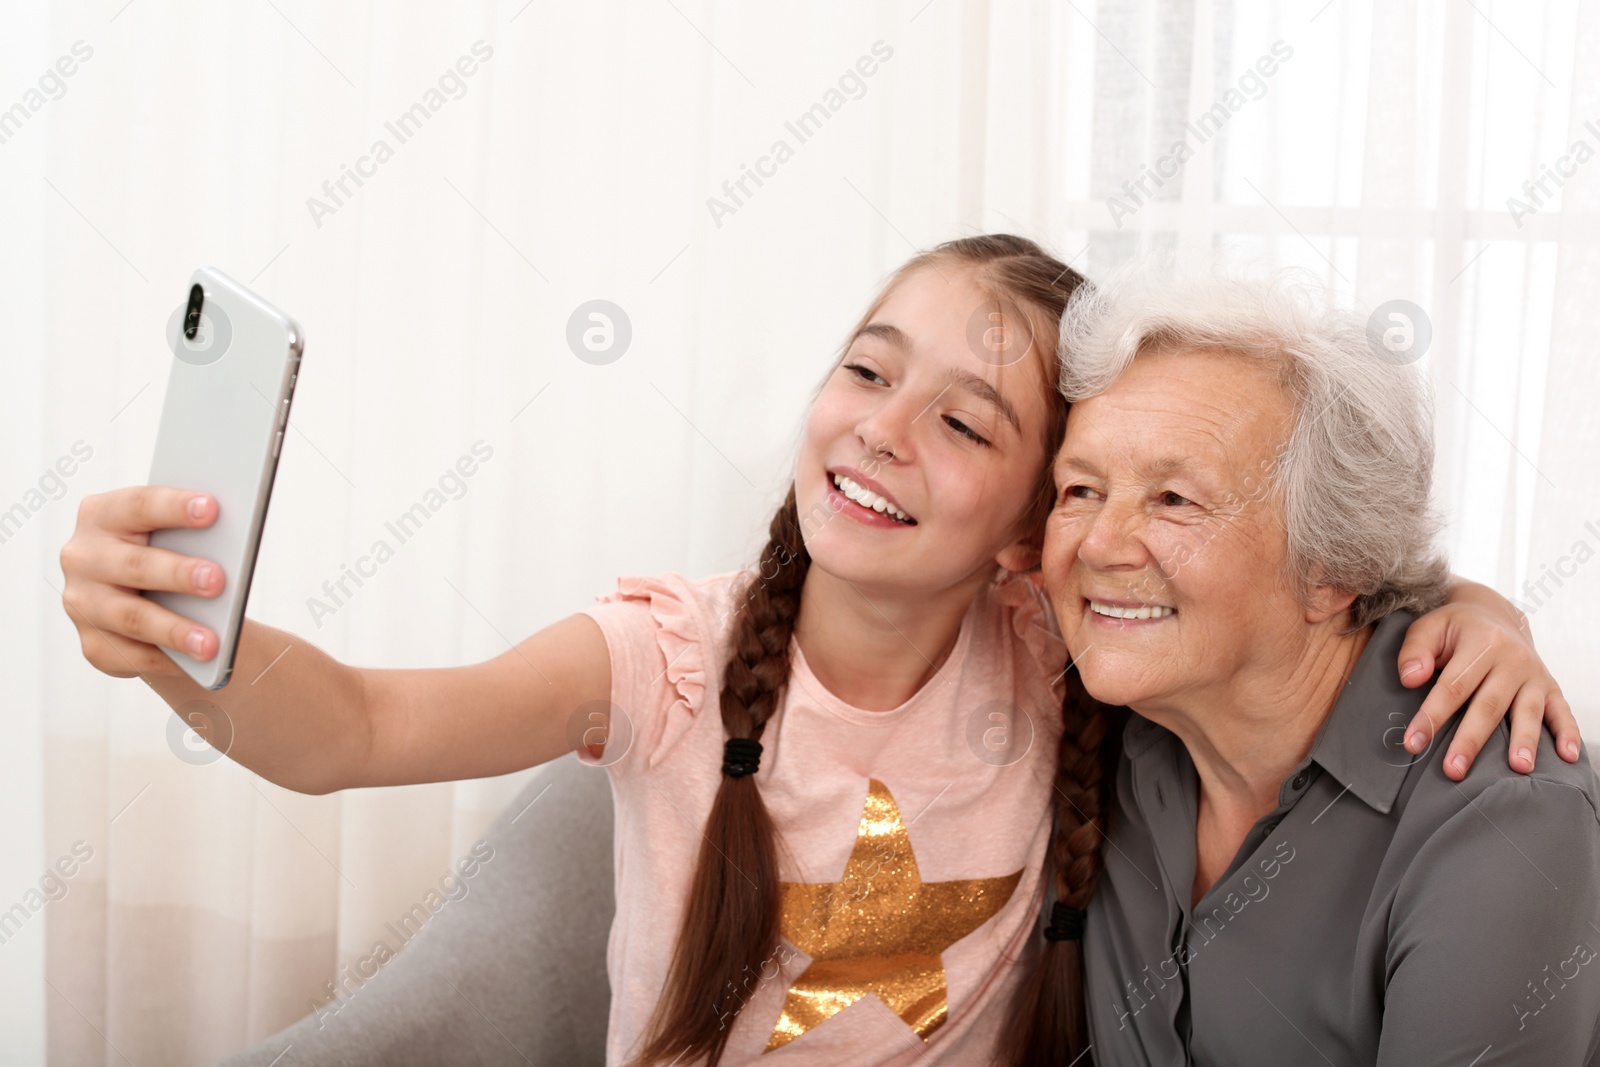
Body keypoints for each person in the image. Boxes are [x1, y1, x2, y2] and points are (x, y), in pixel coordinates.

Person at [58, 238, 1577, 1067]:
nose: (884, 428)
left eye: (970, 424)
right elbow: (363, 727)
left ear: (1013, 532)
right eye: (866, 367)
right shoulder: (670, 653)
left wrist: (1480, 616)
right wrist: (189, 639)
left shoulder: (1063, 644)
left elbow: (1291, 583)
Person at [1033, 267, 1600, 1065]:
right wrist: (1489, 605)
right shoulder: (1114, 721)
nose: (1098, 544)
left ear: (1332, 566)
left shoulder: (1504, 816)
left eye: (1174, 500)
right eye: (1080, 489)